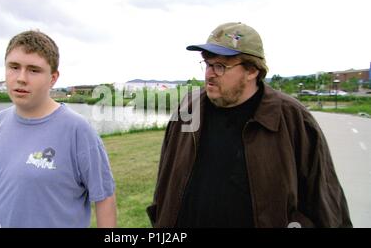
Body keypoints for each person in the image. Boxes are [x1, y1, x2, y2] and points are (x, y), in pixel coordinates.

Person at [147, 22, 351, 228]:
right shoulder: (188, 108)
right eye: (207, 64)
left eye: (220, 66)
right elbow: (165, 180)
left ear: (252, 70)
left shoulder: (292, 118)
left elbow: (326, 201)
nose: (209, 74)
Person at [0, 30, 116, 228]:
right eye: (14, 67)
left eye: (33, 70)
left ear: (53, 78)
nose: (21, 78)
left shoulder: (78, 131)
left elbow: (104, 198)